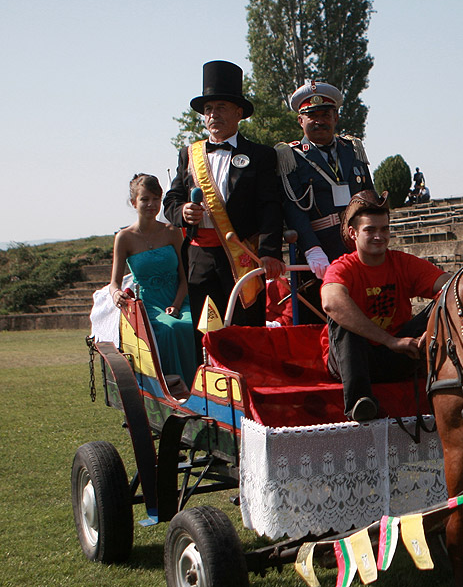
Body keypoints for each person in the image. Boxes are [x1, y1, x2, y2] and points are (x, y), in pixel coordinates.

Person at [164, 60, 283, 339]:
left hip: (242, 255)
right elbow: (171, 200)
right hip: (199, 258)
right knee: (205, 333)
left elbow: (270, 207)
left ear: (239, 113)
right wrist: (183, 212)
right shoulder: (189, 155)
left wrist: (269, 251)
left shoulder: (261, 155)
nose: (213, 115)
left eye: (221, 108)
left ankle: (249, 382)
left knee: (246, 329)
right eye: (208, 109)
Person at [320, 191, 451, 422]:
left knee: (447, 301)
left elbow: (451, 284)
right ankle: (360, 403)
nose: (379, 236)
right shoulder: (342, 267)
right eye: (370, 230)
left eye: (384, 229)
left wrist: (429, 330)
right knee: (342, 317)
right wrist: (390, 340)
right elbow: (331, 302)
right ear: (353, 233)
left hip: (398, 354)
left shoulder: (402, 262)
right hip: (351, 361)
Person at [276, 80, 374, 324]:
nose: (319, 121)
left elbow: (369, 197)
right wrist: (311, 248)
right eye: (312, 116)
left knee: (366, 313)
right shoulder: (290, 156)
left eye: (325, 115)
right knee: (320, 320)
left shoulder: (353, 149)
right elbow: (293, 207)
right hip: (319, 251)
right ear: (301, 121)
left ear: (336, 117)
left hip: (356, 247)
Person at [110, 174, 196, 384]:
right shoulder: (124, 237)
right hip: (148, 306)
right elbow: (114, 282)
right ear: (133, 202)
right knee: (168, 329)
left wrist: (176, 306)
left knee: (193, 325)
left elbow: (186, 278)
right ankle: (172, 388)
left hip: (179, 300)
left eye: (156, 199)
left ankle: (200, 387)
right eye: (145, 199)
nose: (151, 204)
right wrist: (116, 294)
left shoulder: (172, 232)